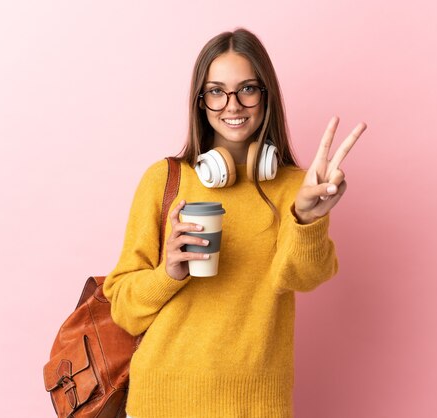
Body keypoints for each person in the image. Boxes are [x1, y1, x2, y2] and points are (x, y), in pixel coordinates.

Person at [104, 28, 366, 418]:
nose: (232, 105)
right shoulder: (165, 180)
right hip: (161, 400)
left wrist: (306, 218)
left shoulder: (296, 187)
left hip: (256, 404)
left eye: (247, 88)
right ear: (200, 102)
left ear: (266, 95)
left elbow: (303, 277)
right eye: (216, 91)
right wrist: (170, 272)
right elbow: (124, 310)